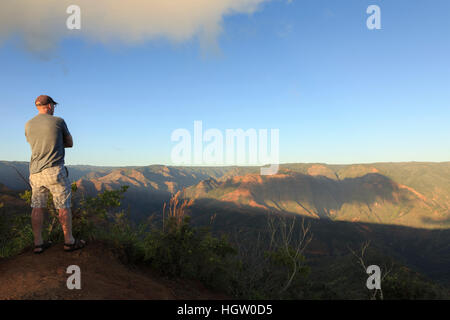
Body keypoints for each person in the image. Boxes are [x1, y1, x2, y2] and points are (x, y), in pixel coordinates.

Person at [25, 95, 85, 253]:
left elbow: (33, 143)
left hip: (35, 172)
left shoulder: (28, 124)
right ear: (50, 106)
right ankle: (69, 241)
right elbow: (70, 143)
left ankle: (38, 244)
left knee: (37, 207)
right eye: (54, 106)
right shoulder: (58, 121)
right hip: (54, 170)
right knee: (63, 207)